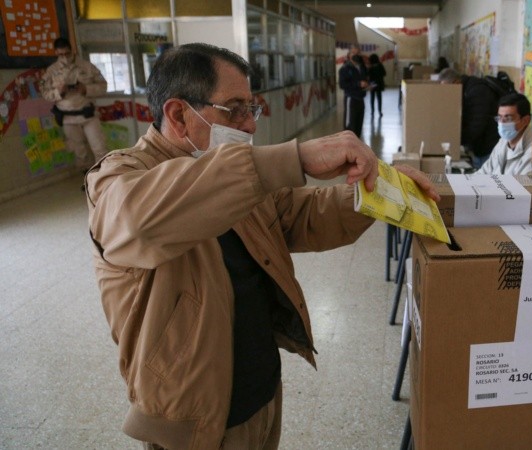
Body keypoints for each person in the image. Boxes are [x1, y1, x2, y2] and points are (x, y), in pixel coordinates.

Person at [85, 42, 439, 449]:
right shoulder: (119, 177)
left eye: (250, 109)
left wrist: (378, 195)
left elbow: (297, 213)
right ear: (179, 115)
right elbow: (137, 221)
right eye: (234, 109)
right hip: (194, 422)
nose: (249, 125)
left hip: (261, 394)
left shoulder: (233, 173)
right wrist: (297, 157)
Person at [41, 37, 108, 174]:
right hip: (67, 117)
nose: (64, 57)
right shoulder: (51, 71)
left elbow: (103, 86)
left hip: (88, 114)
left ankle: (104, 177)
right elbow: (45, 93)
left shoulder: (87, 67)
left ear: (72, 50)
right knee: (79, 151)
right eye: (60, 55)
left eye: (67, 53)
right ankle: (87, 177)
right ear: (56, 53)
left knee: (99, 147)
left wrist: (86, 89)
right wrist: (58, 92)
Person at [438, 68, 500, 170]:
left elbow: (477, 124)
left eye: (448, 88)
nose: (447, 92)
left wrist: (457, 140)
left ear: (456, 82)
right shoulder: (465, 90)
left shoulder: (478, 91)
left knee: (485, 179)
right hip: (477, 145)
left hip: (488, 145)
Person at [476, 93, 532, 175]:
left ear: (525, 120)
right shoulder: (503, 141)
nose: (502, 123)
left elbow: (520, 186)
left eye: (508, 118)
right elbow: (484, 171)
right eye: (499, 117)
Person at [339, 45, 368, 137]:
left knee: (359, 125)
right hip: (351, 99)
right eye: (353, 53)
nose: (356, 55)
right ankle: (347, 148)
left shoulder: (361, 67)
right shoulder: (345, 68)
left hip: (361, 98)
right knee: (350, 126)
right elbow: (342, 85)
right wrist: (358, 84)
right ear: (349, 55)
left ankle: (356, 146)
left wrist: (367, 84)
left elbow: (365, 78)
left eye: (357, 53)